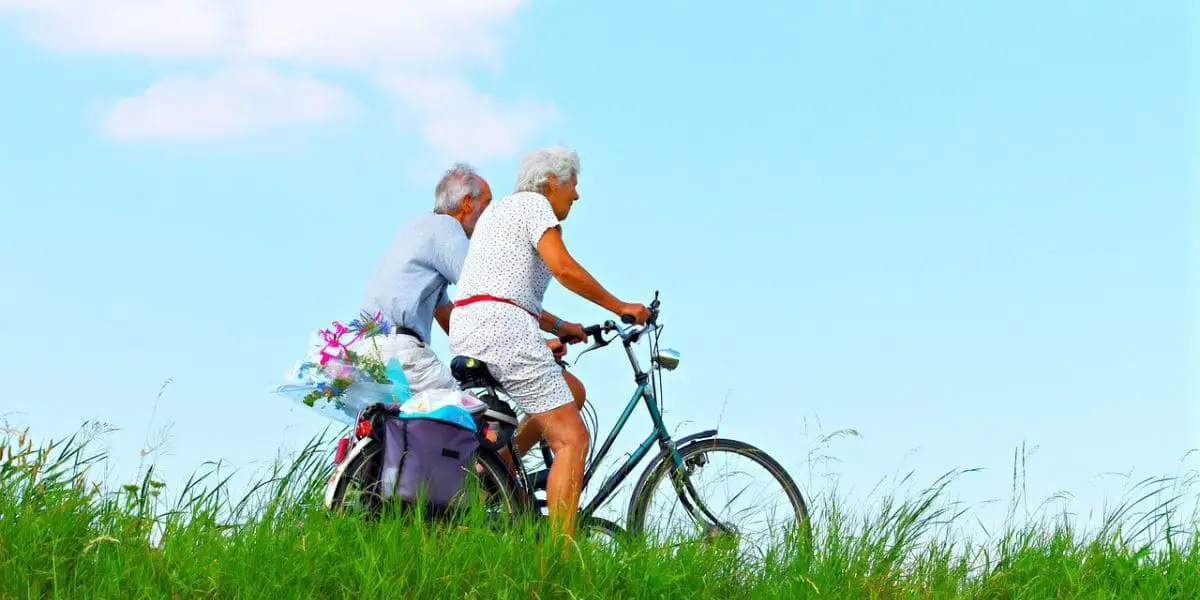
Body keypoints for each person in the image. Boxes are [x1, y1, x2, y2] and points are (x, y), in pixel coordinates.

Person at [448, 146, 651, 543]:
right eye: (573, 185)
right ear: (552, 182)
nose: (575, 196)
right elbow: (563, 267)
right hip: (503, 328)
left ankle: (499, 469)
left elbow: (503, 288)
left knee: (571, 391)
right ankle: (557, 561)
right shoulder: (535, 206)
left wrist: (562, 326)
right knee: (572, 437)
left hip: (472, 326)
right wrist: (621, 306)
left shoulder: (499, 213)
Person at [352, 163, 493, 392]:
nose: (490, 214)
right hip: (400, 352)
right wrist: (536, 340)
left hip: (369, 352)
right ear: (467, 202)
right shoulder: (447, 227)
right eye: (487, 205)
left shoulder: (419, 227)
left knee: (405, 424)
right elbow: (486, 290)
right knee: (471, 414)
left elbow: (448, 316)